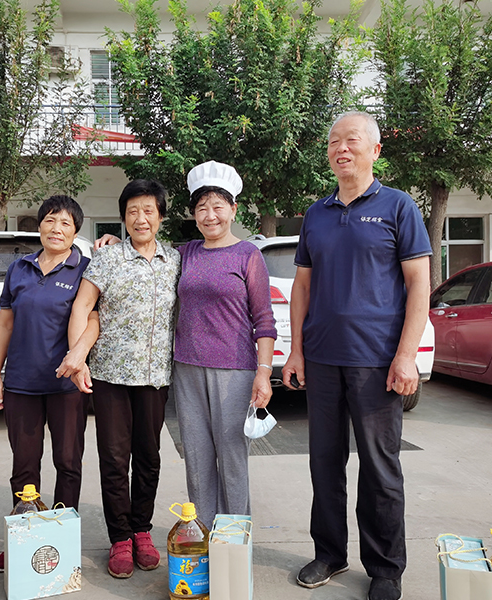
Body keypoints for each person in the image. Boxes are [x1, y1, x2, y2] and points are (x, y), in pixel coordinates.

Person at [282, 112, 431, 600]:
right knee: (324, 463)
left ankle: (385, 567)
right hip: (323, 359)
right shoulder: (317, 213)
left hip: (377, 362)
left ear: (375, 150)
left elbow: (419, 285)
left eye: (351, 140)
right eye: (333, 142)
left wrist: (406, 355)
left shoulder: (398, 206)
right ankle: (329, 553)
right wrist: (296, 352)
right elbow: (302, 288)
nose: (341, 149)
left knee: (379, 467)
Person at [58, 179, 181, 579]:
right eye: (132, 212)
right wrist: (79, 358)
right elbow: (83, 308)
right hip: (110, 375)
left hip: (155, 377)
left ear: (160, 216)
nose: (140, 219)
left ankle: (142, 530)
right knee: (114, 459)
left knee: (149, 457)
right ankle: (120, 538)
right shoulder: (107, 258)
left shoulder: (175, 260)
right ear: (123, 218)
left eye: (148, 211)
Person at [0, 195, 96, 574]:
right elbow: (5, 323)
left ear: (76, 232)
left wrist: (78, 357)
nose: (56, 229)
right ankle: (24, 536)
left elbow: (94, 319)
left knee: (68, 462)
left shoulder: (85, 270)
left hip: (67, 386)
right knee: (24, 465)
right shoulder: (19, 269)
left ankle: (61, 538)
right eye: (50, 220)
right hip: (22, 383)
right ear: (39, 225)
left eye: (65, 223)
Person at [173, 160, 277, 528]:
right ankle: (203, 535)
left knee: (232, 459)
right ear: (194, 214)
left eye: (218, 206)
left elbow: (264, 319)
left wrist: (263, 373)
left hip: (234, 371)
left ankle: (234, 539)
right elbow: (149, 258)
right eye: (202, 207)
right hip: (187, 368)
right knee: (196, 459)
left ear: (233, 210)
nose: (210, 215)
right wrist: (113, 243)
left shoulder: (248, 255)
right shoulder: (185, 253)